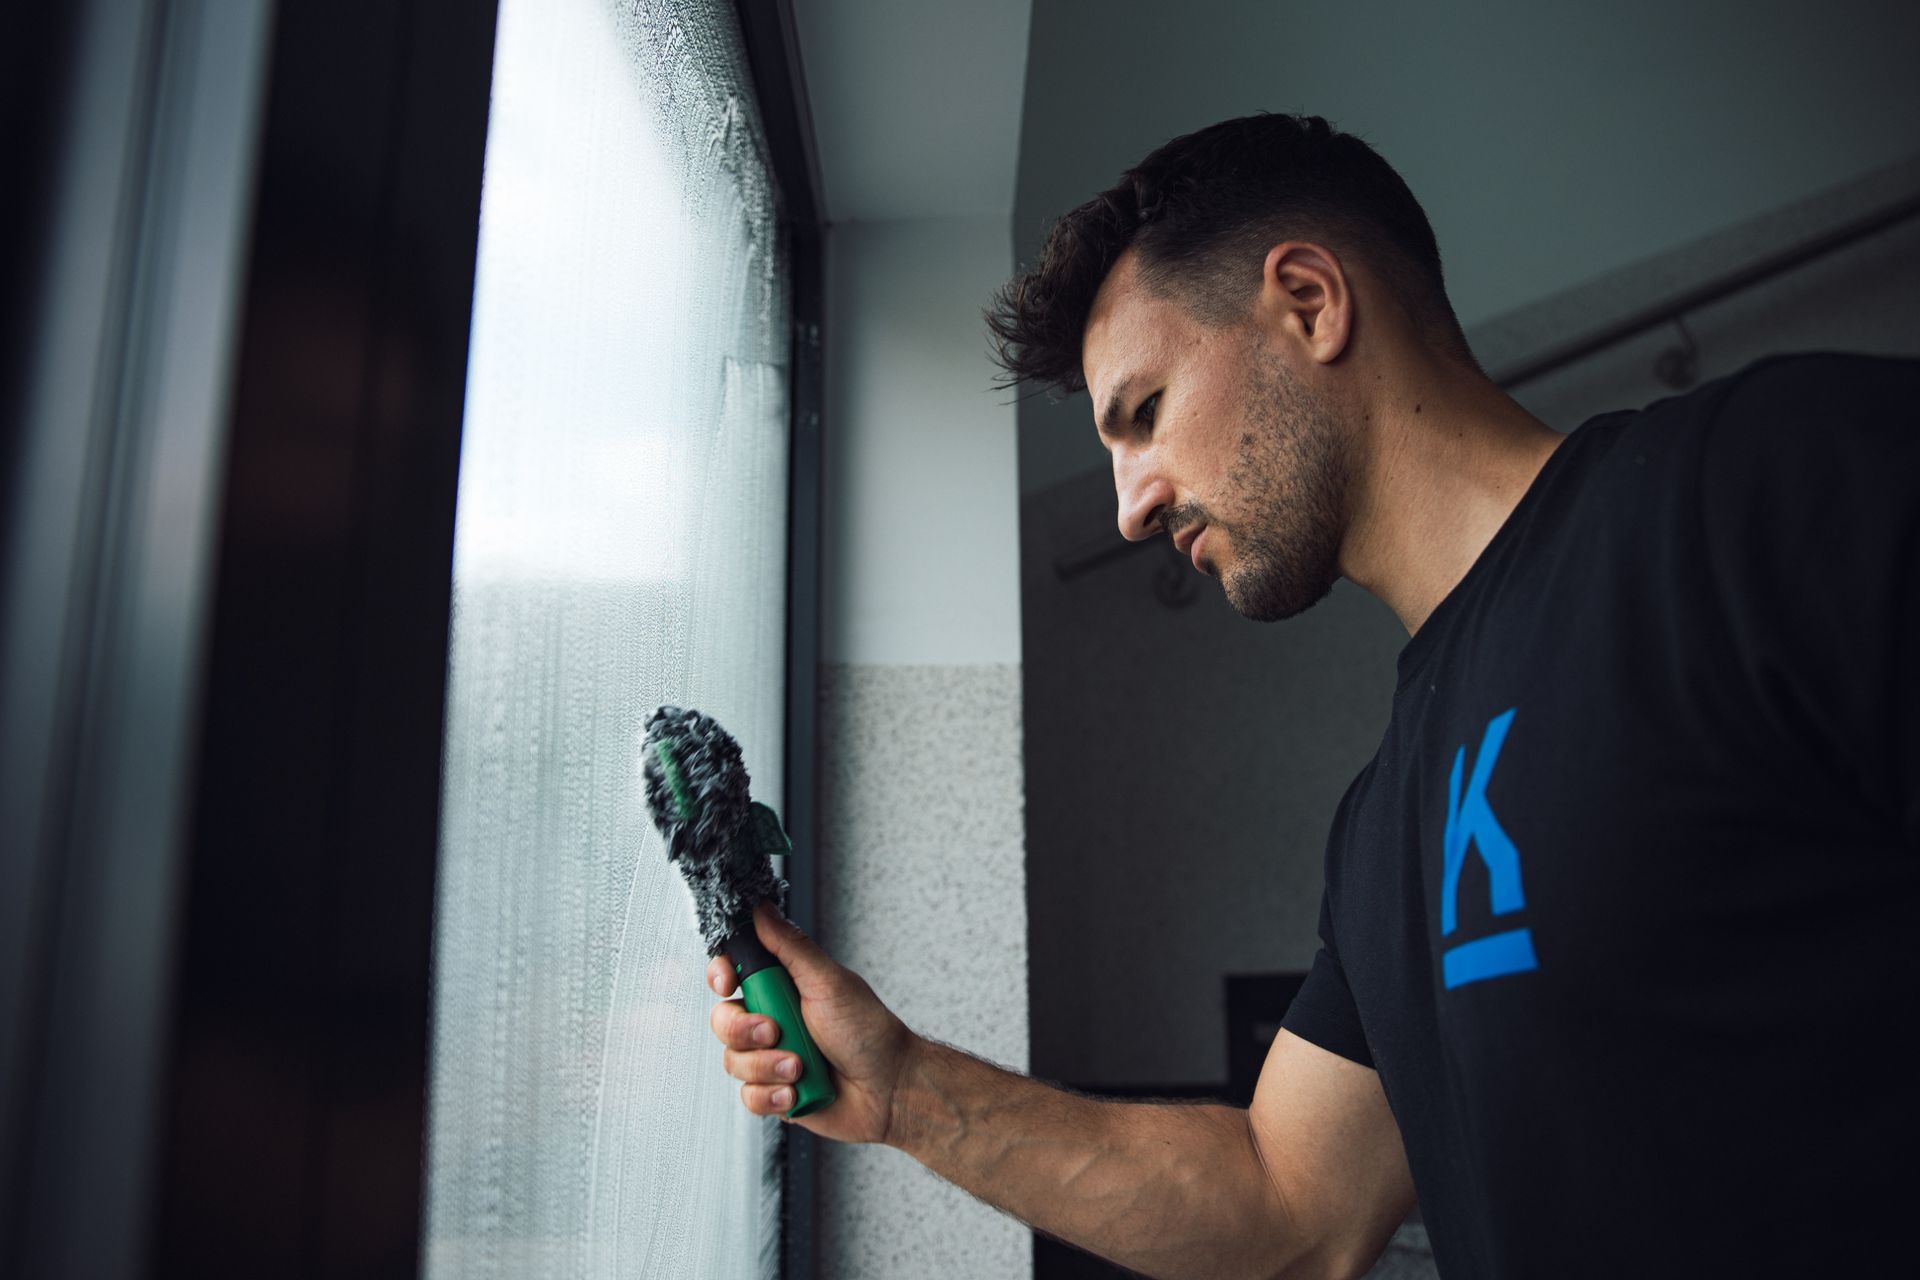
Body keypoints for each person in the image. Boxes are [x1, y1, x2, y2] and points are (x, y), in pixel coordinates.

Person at [708, 112, 1919, 1278]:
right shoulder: (1387, 813)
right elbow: (1290, 1206)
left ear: (1309, 301)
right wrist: (910, 1090)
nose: (1128, 504)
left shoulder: (1764, 488)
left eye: (1144, 413)